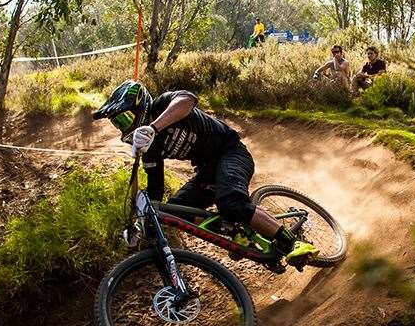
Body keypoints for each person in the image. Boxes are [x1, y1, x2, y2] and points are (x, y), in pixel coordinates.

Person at [98, 81, 319, 265]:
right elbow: (155, 193)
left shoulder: (164, 105)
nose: (122, 126)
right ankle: (236, 232)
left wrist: (153, 127)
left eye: (124, 118)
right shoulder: (150, 149)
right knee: (174, 212)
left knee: (230, 203)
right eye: (117, 122)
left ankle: (292, 242)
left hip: (231, 153)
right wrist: (140, 226)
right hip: (207, 170)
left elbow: (188, 100)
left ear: (140, 106)